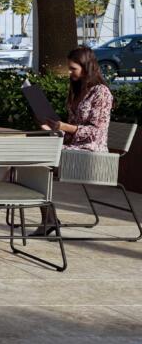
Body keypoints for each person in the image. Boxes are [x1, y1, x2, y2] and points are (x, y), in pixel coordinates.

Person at [31, 47, 114, 235]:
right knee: (33, 153)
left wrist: (63, 127)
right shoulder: (78, 90)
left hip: (92, 152)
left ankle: (48, 219)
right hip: (75, 146)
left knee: (39, 159)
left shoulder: (101, 93)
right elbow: (72, 130)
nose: (70, 73)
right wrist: (52, 128)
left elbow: (97, 132)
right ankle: (49, 218)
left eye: (73, 68)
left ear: (86, 67)